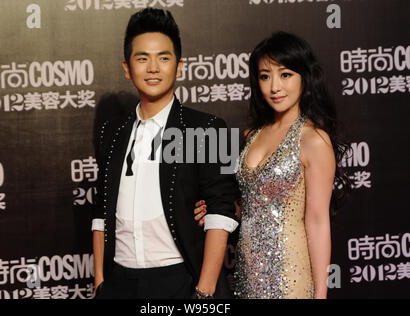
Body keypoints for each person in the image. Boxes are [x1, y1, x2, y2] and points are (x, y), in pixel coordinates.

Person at [91, 8, 239, 299]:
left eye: (163, 58)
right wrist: (100, 283)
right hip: (119, 281)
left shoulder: (207, 128)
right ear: (127, 67)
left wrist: (205, 291)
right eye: (142, 58)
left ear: (179, 66)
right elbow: (101, 213)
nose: (153, 68)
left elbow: (221, 214)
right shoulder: (113, 132)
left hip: (181, 281)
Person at [194, 31, 349, 299]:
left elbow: (317, 220)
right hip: (248, 272)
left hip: (289, 272)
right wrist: (222, 210)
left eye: (285, 74)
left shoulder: (313, 139)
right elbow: (254, 205)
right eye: (265, 76)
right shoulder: (251, 135)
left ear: (305, 77)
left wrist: (321, 294)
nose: (274, 86)